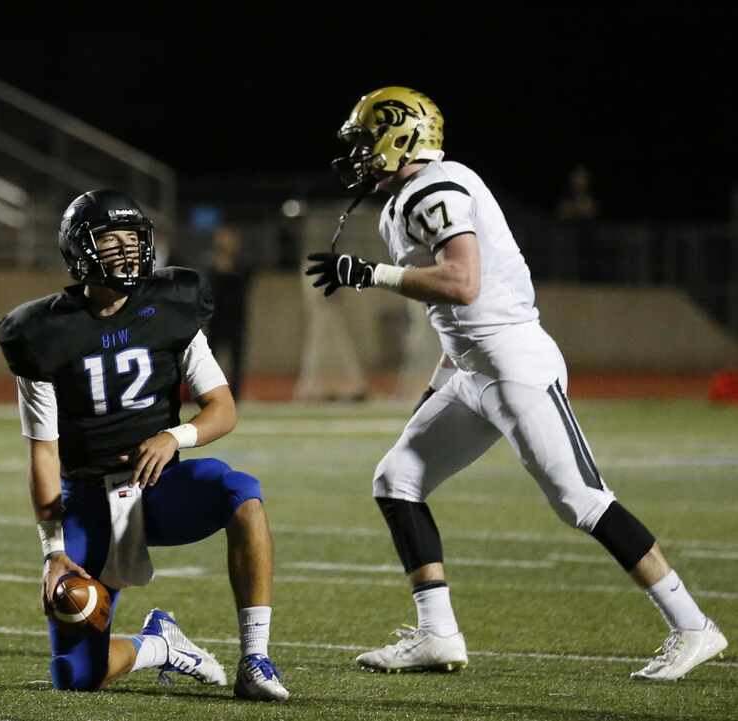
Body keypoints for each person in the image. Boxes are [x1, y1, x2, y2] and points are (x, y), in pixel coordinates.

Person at [306, 87, 727, 681]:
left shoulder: (434, 188)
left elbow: (462, 283)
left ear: (402, 137)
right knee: (397, 479)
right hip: (471, 368)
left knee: (580, 500)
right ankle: (437, 634)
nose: (359, 155)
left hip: (514, 365)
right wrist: (436, 388)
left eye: (366, 141)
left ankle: (692, 626)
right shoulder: (404, 198)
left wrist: (371, 273)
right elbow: (455, 322)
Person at [0, 190, 289, 701]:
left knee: (242, 494)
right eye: (110, 240)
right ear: (80, 251)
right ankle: (159, 645)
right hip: (88, 500)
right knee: (76, 677)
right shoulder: (41, 333)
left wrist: (173, 436)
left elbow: (223, 407)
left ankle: (256, 659)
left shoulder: (171, 306)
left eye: (133, 239)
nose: (126, 251)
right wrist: (54, 553)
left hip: (158, 487)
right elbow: (43, 449)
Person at [204, 225, 252, 399]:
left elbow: (245, 284)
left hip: (236, 319)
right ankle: (212, 394)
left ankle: (236, 396)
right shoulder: (210, 263)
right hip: (216, 319)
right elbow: (208, 289)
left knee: (236, 361)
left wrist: (228, 270)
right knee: (212, 360)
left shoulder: (242, 263)